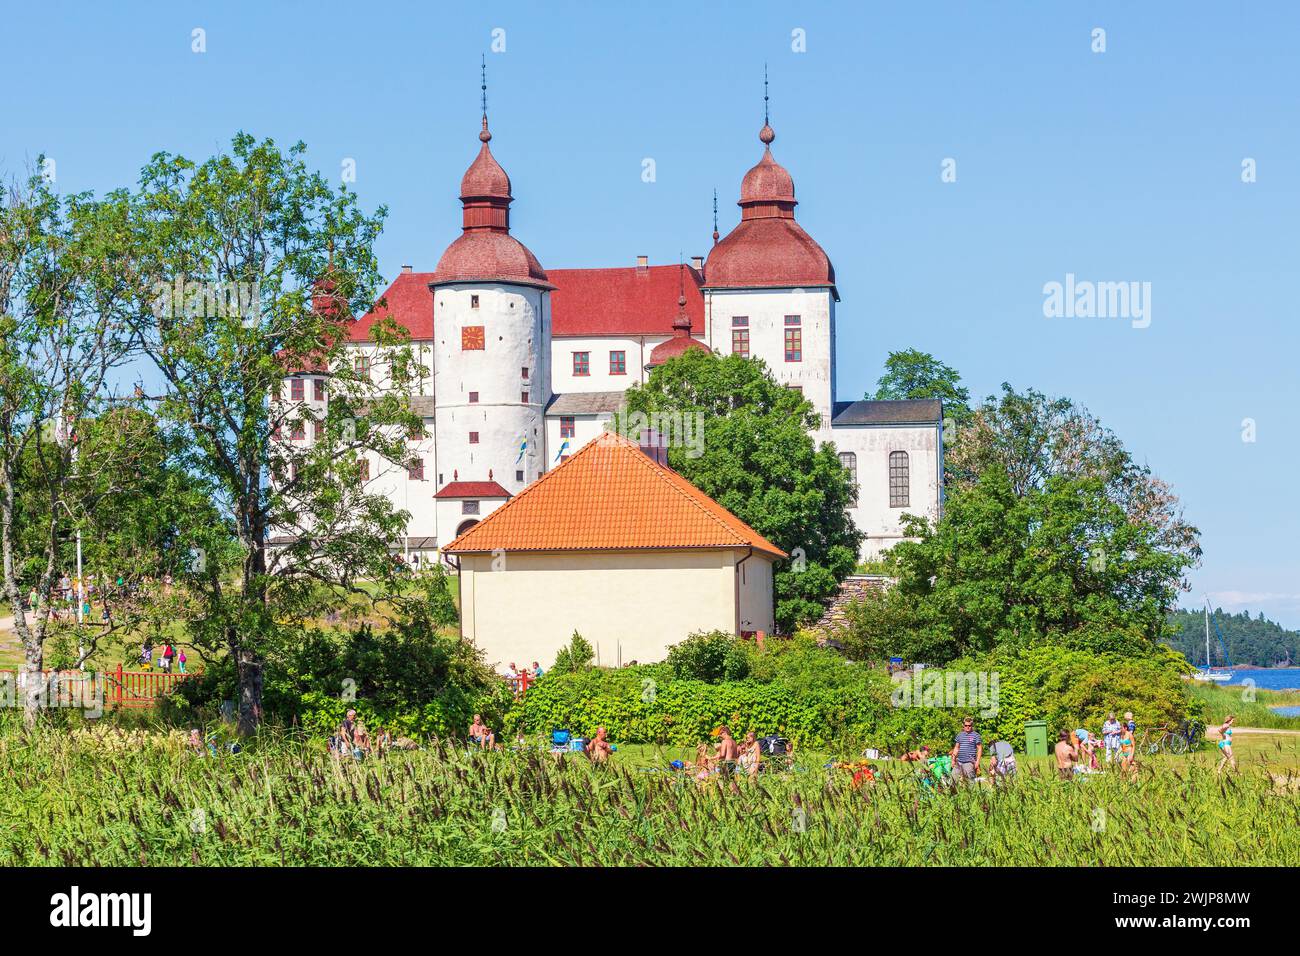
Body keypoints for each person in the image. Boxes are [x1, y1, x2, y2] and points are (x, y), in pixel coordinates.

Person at [951, 717, 983, 781]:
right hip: (959, 761)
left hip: (969, 762)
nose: (967, 727)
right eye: (966, 725)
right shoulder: (959, 735)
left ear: (972, 725)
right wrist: (953, 760)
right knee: (953, 779)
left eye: (969, 725)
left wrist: (977, 761)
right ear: (963, 726)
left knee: (969, 781)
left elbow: (979, 749)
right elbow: (956, 748)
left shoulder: (976, 735)